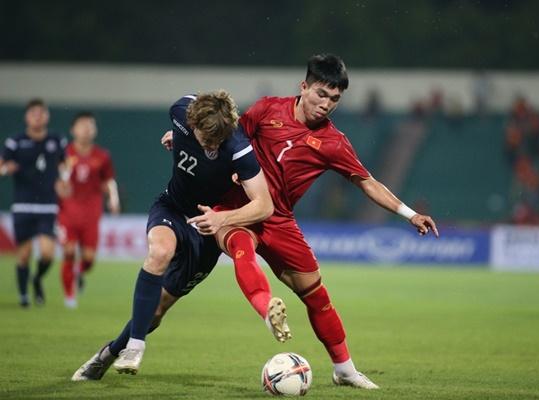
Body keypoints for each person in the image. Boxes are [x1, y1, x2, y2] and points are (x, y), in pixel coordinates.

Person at [161, 54, 439, 390]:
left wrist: (410, 214)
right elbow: (225, 136)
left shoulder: (333, 143)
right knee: (240, 247)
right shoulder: (266, 110)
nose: (326, 104)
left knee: (317, 296)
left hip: (279, 220)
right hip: (235, 207)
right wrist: (185, 138)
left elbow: (368, 183)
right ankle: (267, 309)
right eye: (321, 94)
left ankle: (345, 370)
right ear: (304, 87)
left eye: (334, 99)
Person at [72, 90, 283, 381]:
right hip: (172, 207)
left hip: (206, 231)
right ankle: (135, 346)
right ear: (192, 122)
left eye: (217, 141)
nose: (211, 146)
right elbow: (191, 112)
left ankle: (107, 354)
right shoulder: (180, 112)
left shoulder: (238, 148)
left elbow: (265, 205)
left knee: (157, 311)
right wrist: (178, 138)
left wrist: (221, 218)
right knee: (160, 252)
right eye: (206, 139)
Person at [0, 98, 67, 307]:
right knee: (24, 254)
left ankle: (37, 279)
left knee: (47, 253)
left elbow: (65, 164)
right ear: (26, 117)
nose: (38, 117)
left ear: (47, 116)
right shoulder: (15, 141)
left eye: (41, 113)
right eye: (33, 113)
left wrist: (64, 179)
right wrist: (6, 169)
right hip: (23, 204)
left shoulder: (57, 140)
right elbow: (1, 166)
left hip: (48, 205)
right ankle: (23, 296)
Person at [57, 112, 121, 308]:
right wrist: (60, 187)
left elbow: (108, 180)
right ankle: (69, 296)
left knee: (89, 259)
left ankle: (78, 272)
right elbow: (57, 181)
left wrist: (113, 198)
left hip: (91, 213)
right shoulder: (64, 154)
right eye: (82, 125)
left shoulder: (102, 156)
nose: (86, 129)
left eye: (90, 126)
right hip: (67, 212)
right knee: (69, 251)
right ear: (73, 129)